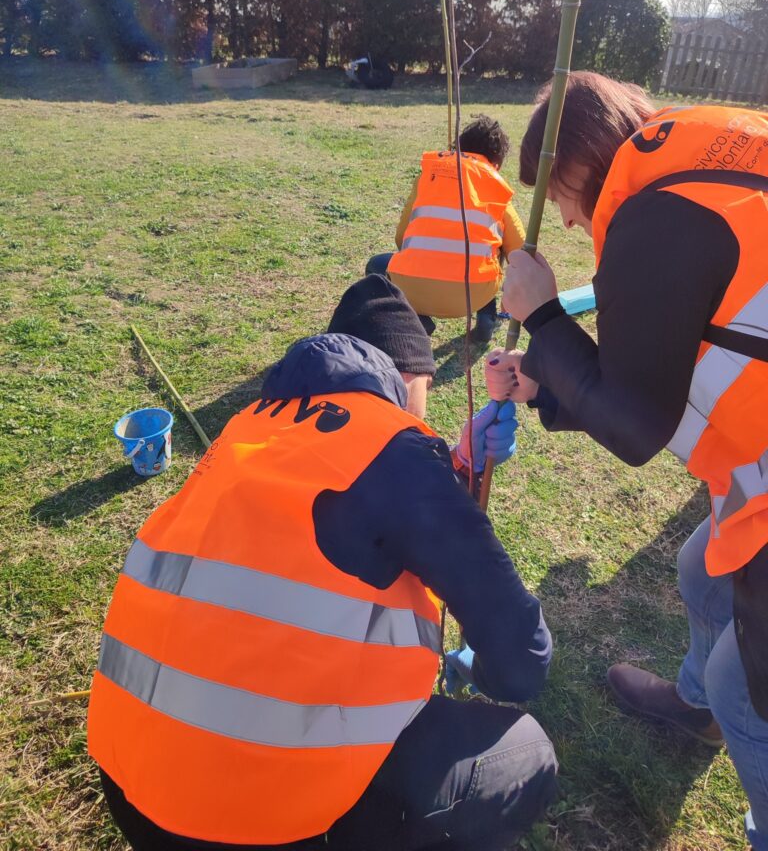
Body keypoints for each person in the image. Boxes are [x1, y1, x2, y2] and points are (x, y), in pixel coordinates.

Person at [88, 274, 557, 851]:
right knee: (527, 752)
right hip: (252, 830)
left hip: (126, 783)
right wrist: (479, 667)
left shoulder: (247, 431)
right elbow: (522, 666)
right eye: (426, 392)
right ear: (405, 378)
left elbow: (340, 525)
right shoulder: (394, 446)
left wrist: (455, 464)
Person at [484, 71, 768, 850]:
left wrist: (541, 315)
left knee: (748, 694)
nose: (569, 220)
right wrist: (544, 384)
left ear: (581, 160)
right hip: (757, 466)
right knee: (701, 568)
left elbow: (638, 426)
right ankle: (697, 713)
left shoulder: (654, 215)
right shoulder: (705, 167)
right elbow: (654, 374)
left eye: (561, 195)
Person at [366, 115, 526, 342]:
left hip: (411, 286)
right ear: (496, 164)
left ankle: (416, 320)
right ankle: (486, 320)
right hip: (474, 295)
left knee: (375, 266)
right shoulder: (495, 186)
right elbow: (519, 250)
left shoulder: (428, 176)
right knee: (495, 246)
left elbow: (402, 239)